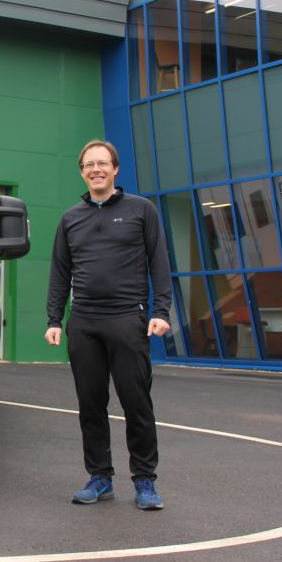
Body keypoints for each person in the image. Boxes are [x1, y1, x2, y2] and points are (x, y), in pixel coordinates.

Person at [45, 140, 172, 509]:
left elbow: (159, 263)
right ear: (81, 171)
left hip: (126, 320)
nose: (96, 169)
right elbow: (60, 272)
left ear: (116, 169)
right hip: (83, 322)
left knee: (137, 403)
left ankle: (145, 482)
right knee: (90, 405)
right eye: (89, 164)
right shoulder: (70, 218)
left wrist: (160, 312)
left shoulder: (141, 210)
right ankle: (100, 477)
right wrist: (55, 318)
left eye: (103, 163)